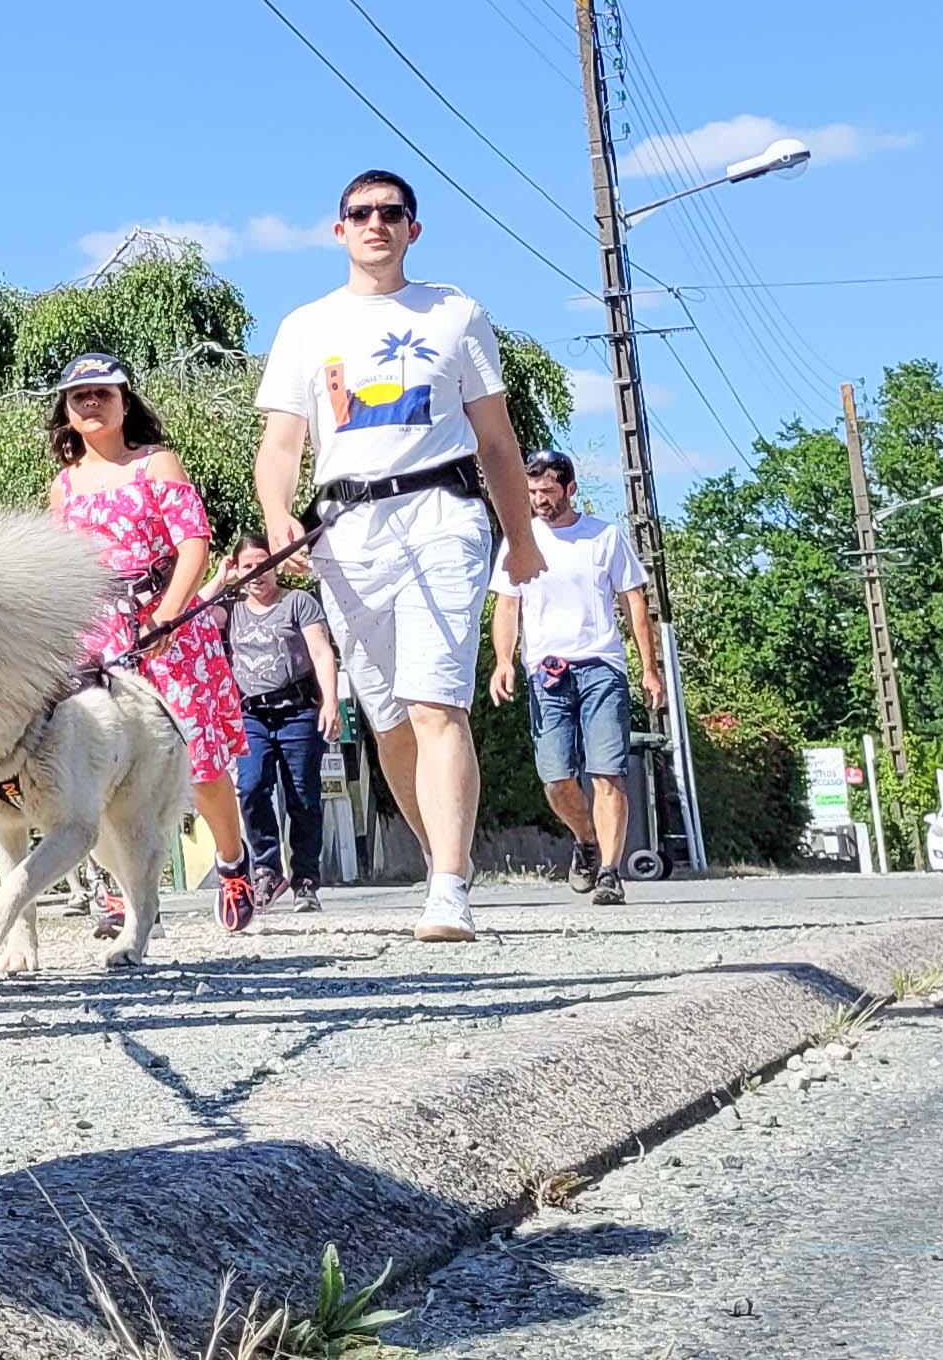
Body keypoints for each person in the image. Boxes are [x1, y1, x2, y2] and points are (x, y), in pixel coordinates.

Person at [254, 171, 547, 943]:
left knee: (435, 703)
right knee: (387, 722)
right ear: (338, 229)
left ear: (414, 229)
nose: (376, 223)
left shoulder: (455, 313)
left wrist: (519, 541)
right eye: (361, 213)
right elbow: (280, 443)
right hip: (347, 530)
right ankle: (438, 855)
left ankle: (448, 885)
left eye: (392, 213)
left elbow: (496, 442)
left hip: (441, 515)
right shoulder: (305, 327)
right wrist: (278, 514)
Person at [45, 354, 259, 933]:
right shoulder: (63, 489)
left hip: (168, 624)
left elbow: (194, 544)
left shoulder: (156, 464)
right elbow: (58, 566)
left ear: (124, 402)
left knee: (199, 760)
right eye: (79, 396)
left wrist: (165, 617)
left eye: (102, 394)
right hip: (98, 637)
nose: (91, 403)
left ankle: (234, 862)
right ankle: (127, 894)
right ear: (66, 410)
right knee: (99, 764)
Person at [489, 449, 657, 905]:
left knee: (607, 774)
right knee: (556, 779)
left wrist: (649, 668)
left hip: (601, 666)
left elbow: (633, 601)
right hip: (546, 673)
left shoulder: (604, 537)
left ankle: (608, 872)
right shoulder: (518, 541)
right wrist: (503, 661)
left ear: (569, 489)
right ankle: (586, 841)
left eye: (547, 491)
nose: (539, 500)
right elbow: (507, 606)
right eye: (532, 492)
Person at [221, 532, 341, 912]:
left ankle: (305, 878)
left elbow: (322, 653)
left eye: (264, 564)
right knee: (252, 786)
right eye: (247, 567)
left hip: (297, 710)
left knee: (302, 794)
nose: (257, 574)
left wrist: (331, 702)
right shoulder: (231, 609)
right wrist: (220, 579)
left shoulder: (297, 603)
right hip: (250, 713)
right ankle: (267, 870)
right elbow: (192, 613)